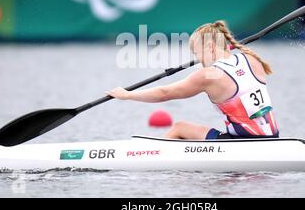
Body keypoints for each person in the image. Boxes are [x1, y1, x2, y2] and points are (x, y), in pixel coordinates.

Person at [106, 20, 279, 140]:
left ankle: (150, 160)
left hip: (242, 142)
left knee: (179, 128)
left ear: (210, 47)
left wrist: (127, 95)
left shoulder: (208, 75)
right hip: (272, 137)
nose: (199, 60)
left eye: (197, 53)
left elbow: (164, 93)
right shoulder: (251, 59)